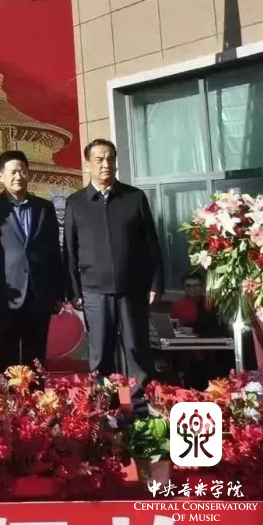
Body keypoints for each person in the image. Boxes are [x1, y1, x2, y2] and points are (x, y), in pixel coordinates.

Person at [65, 138, 163, 412]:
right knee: (100, 353)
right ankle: (104, 411)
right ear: (88, 164)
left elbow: (151, 246)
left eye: (110, 158)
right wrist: (74, 290)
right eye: (99, 159)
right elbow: (70, 252)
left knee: (136, 350)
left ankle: (140, 409)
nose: (106, 164)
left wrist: (156, 283)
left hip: (132, 289)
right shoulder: (76, 203)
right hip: (94, 290)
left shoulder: (134, 197)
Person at [0, 150, 65, 371]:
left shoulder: (44, 208)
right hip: (5, 296)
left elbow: (54, 253)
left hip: (39, 296)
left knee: (36, 360)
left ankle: (36, 395)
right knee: (7, 359)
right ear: (0, 176)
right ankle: (8, 396)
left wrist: (58, 293)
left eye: (22, 171)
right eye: (13, 172)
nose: (18, 176)